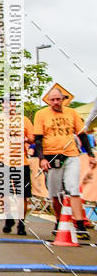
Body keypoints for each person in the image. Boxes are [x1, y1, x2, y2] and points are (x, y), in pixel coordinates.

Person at [33, 87, 95, 241]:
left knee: (73, 189)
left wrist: (91, 155)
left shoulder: (72, 113)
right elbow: (38, 140)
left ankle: (80, 225)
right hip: (52, 157)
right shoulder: (41, 114)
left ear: (63, 100)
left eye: (58, 99)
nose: (55, 102)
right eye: (52, 100)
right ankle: (59, 221)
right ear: (48, 101)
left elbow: (82, 135)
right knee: (54, 193)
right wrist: (42, 159)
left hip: (71, 155)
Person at [0, 97, 35, 234]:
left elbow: (32, 137)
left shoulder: (24, 120)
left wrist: (26, 138)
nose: (8, 106)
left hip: (20, 161)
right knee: (3, 192)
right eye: (5, 103)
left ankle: (21, 223)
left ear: (15, 104)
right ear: (2, 105)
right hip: (1, 159)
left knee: (21, 194)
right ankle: (8, 217)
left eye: (11, 103)